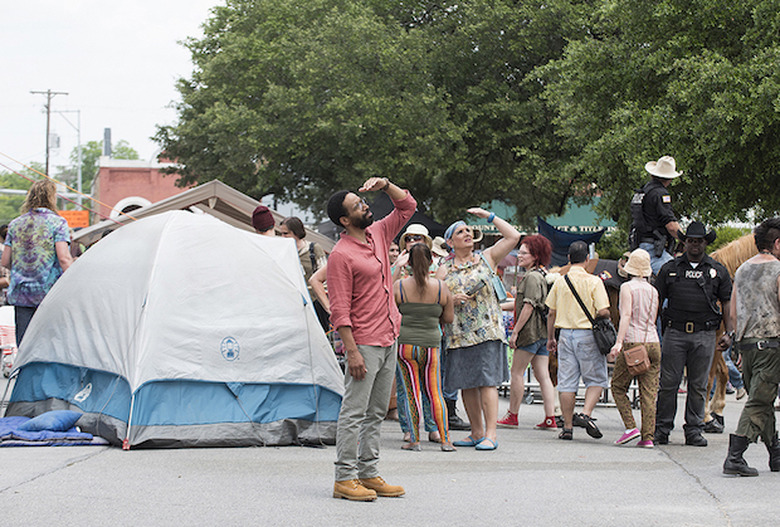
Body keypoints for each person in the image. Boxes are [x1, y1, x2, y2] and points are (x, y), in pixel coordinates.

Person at [327, 176, 415, 502]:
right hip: (363, 342)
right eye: (357, 206)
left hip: (389, 336)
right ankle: (344, 478)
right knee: (354, 412)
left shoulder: (378, 233)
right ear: (344, 220)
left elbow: (407, 207)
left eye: (362, 201)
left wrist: (386, 186)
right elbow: (339, 309)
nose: (365, 207)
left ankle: (369, 472)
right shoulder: (340, 255)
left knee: (377, 411)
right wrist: (352, 352)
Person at [436, 209, 520, 451]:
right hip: (459, 333)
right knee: (467, 383)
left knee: (487, 382)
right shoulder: (444, 268)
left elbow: (513, 236)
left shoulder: (487, 257)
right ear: (450, 242)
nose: (467, 234)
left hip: (486, 330)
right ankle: (476, 431)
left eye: (468, 230)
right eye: (460, 232)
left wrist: (489, 216)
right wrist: (451, 298)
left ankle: (491, 434)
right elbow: (436, 297)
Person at [654, 221, 733, 447]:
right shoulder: (670, 269)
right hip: (675, 333)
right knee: (668, 383)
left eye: (699, 241)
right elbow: (657, 300)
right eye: (690, 241)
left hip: (705, 335)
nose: (695, 245)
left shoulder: (718, 271)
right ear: (684, 242)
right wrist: (652, 328)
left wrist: (729, 332)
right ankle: (662, 428)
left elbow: (727, 302)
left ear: (706, 243)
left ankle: (694, 430)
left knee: (698, 385)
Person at [722, 217, 780, 476]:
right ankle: (735, 456)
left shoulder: (742, 269)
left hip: (745, 344)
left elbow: (733, 312)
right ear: (777, 243)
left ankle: (776, 453)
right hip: (770, 343)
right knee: (759, 401)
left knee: (763, 400)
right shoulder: (778, 270)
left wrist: (735, 344)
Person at [545, 241, 611, 441]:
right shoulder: (594, 282)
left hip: (565, 334)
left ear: (568, 258)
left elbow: (551, 313)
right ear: (587, 259)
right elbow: (602, 310)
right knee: (597, 379)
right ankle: (586, 414)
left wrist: (550, 338)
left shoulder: (560, 282)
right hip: (587, 335)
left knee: (566, 382)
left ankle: (567, 427)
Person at [394, 243, 455, 452]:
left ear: (408, 262)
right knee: (435, 393)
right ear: (431, 261)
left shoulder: (400, 286)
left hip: (405, 346)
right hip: (432, 345)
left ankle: (414, 439)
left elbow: (389, 310)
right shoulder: (440, 287)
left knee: (412, 393)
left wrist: (396, 269)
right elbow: (448, 317)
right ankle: (445, 439)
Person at [1, 180, 73, 345]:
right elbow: (64, 258)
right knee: (48, 345)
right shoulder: (58, 223)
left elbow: (5, 261)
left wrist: (22, 268)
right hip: (49, 295)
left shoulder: (15, 224)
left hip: (21, 295)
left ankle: (24, 371)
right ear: (51, 198)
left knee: (25, 345)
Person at [499, 234, 557, 430]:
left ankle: (512, 415)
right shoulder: (542, 274)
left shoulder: (531, 277)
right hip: (541, 334)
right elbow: (521, 305)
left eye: (524, 253)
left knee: (517, 372)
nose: (519, 256)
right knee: (543, 376)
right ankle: (550, 417)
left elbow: (528, 306)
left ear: (535, 255)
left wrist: (515, 332)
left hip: (529, 333)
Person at [391, 224, 442, 443]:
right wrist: (396, 267)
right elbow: (385, 294)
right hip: (403, 333)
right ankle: (409, 427)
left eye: (419, 237)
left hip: (431, 331)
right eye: (409, 237)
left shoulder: (437, 265)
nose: (414, 240)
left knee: (431, 385)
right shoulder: (398, 264)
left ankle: (432, 427)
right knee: (405, 386)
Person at [608, 249, 661, 447]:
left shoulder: (627, 288)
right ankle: (648, 437)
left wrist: (619, 341)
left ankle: (630, 427)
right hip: (653, 341)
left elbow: (627, 315)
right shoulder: (654, 290)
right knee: (648, 392)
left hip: (633, 341)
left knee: (618, 386)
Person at [629, 155, 683, 275]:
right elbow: (671, 226)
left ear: (652, 174)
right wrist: (685, 239)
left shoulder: (643, 191)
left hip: (638, 244)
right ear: (669, 179)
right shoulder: (661, 194)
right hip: (653, 249)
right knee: (676, 276)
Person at [279, 216, 329, 331]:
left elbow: (325, 278)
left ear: (296, 233)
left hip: (315, 301)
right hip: (293, 303)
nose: (283, 237)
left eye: (286, 233)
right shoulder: (283, 252)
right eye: (281, 233)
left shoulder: (313, 249)